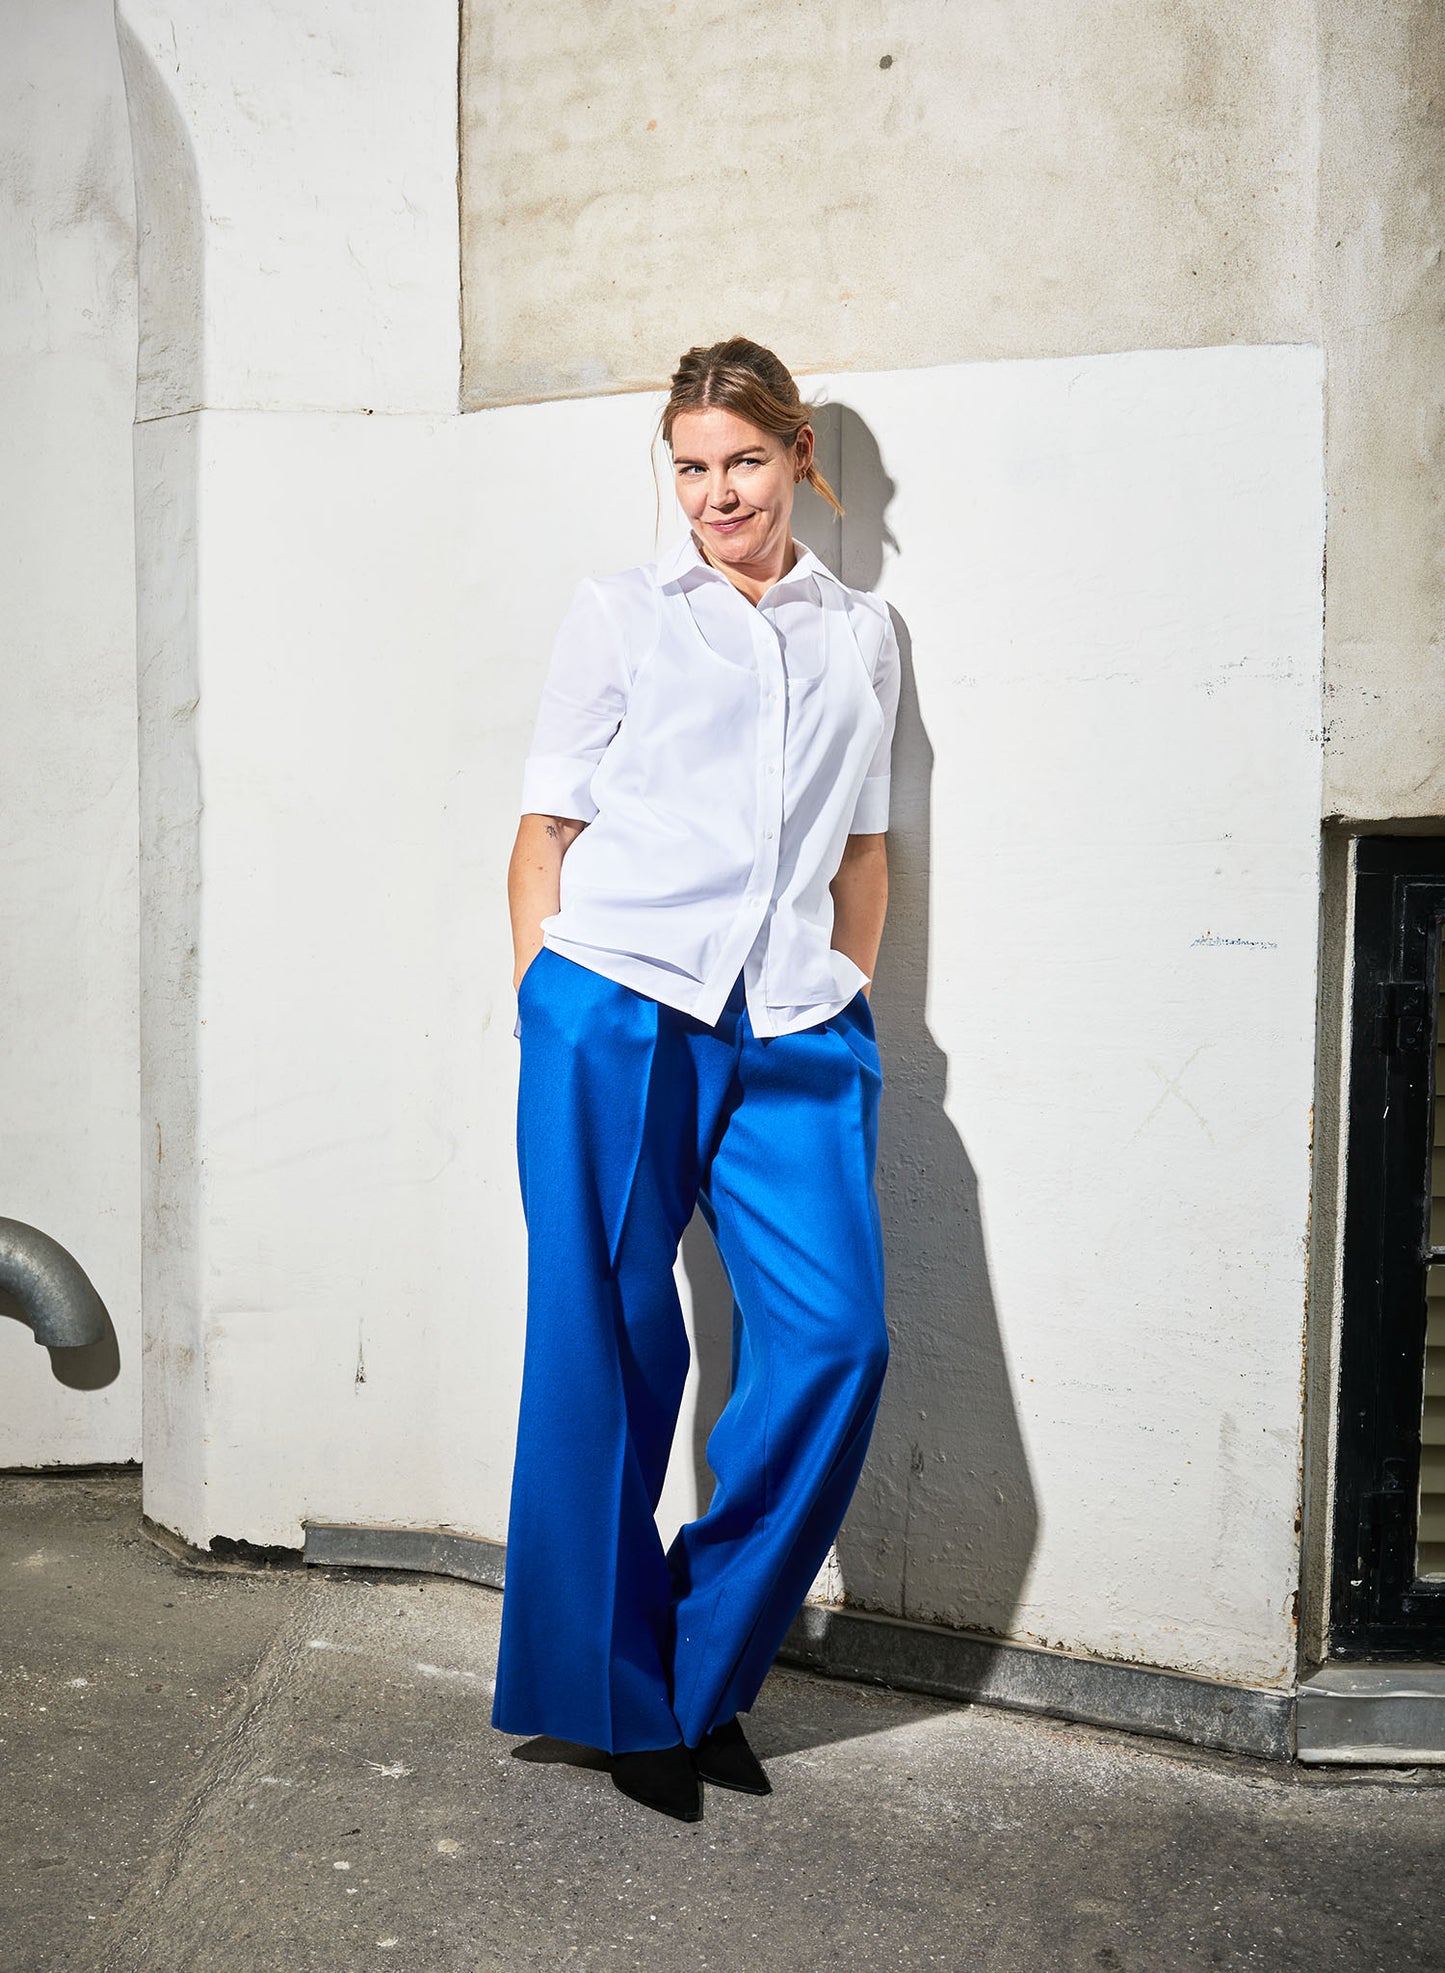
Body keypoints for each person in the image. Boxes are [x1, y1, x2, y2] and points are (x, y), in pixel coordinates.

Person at [491, 336, 900, 1824]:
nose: (713, 495)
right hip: (616, 1005)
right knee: (606, 1350)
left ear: (797, 458)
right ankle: (611, 1699)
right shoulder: (621, 612)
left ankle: (693, 1665)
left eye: (740, 461)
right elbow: (545, 829)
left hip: (791, 1020)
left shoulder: (863, 631)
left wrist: (844, 997)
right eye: (688, 467)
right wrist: (548, 998)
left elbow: (863, 847)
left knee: (835, 1343)